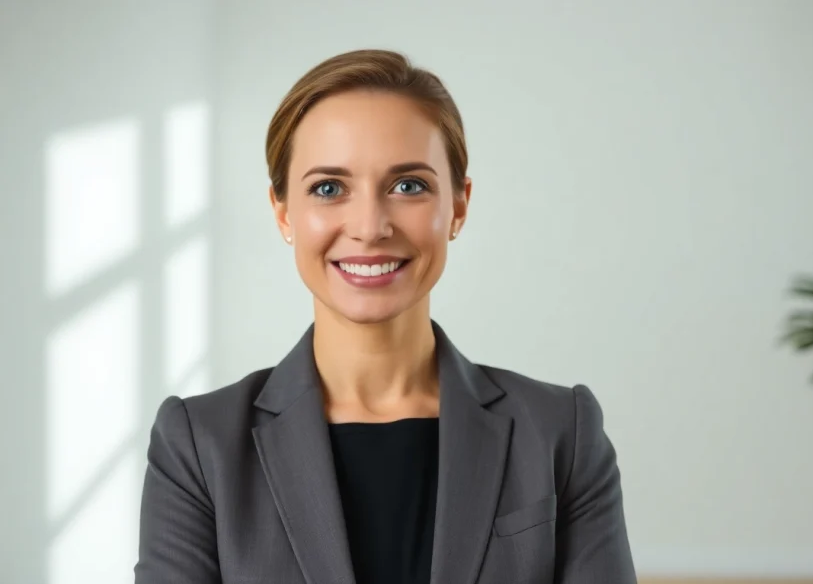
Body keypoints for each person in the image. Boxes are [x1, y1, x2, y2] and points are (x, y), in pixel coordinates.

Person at [134, 49, 636, 584]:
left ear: (459, 206)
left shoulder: (562, 433)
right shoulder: (198, 444)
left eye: (408, 186)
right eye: (329, 188)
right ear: (283, 213)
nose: (369, 226)